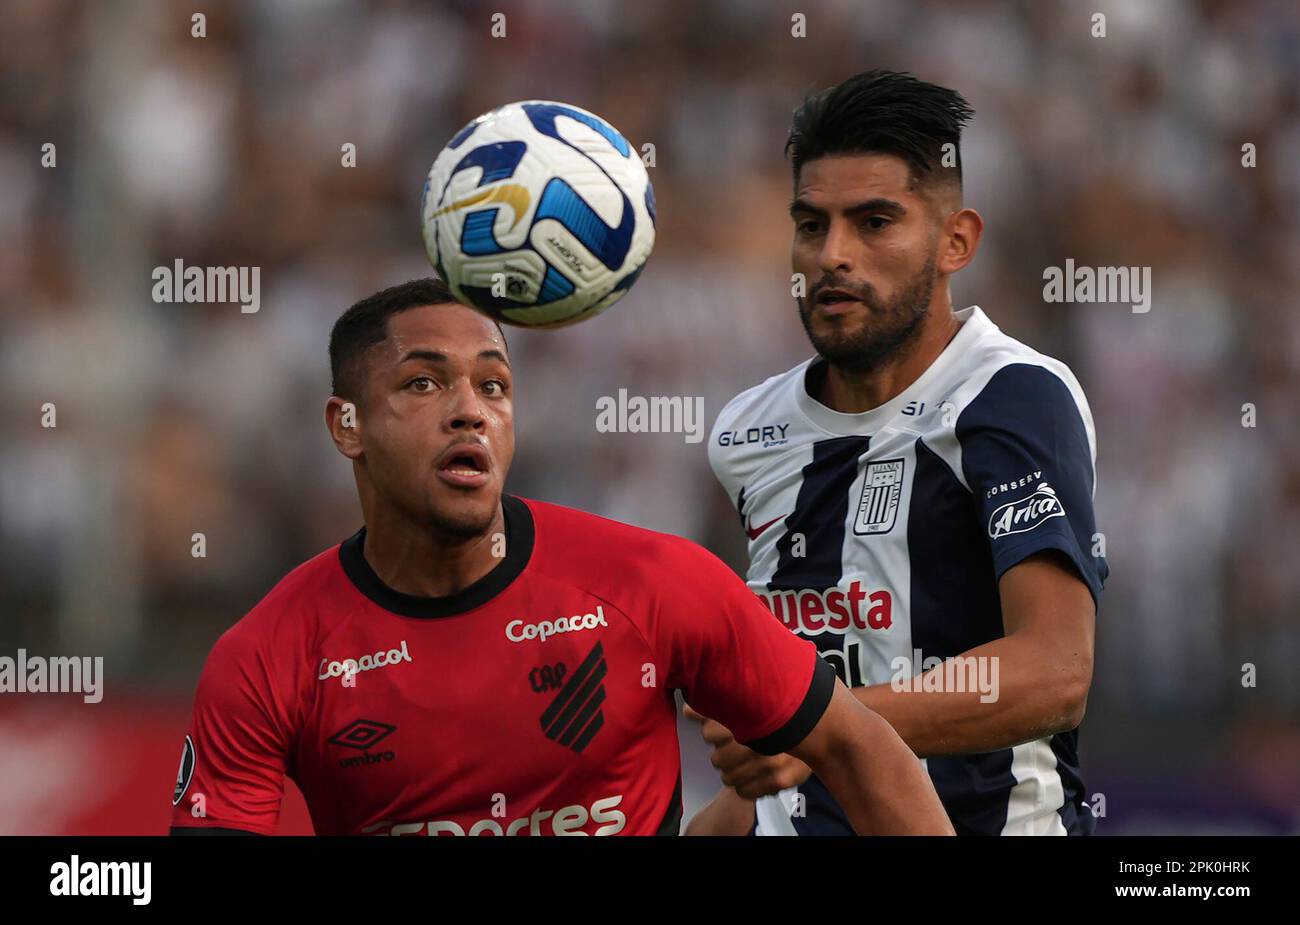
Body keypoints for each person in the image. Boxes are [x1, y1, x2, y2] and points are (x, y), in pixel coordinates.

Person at [169, 277, 952, 836]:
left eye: (494, 386)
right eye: (423, 383)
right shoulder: (268, 657)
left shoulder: (651, 583)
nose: (470, 410)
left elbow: (859, 747)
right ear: (347, 427)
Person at [688, 70, 1107, 836]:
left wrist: (811, 723)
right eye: (811, 226)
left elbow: (1055, 671)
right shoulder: (747, 433)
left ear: (957, 241)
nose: (832, 255)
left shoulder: (1009, 396)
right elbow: (781, 761)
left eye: (874, 222)